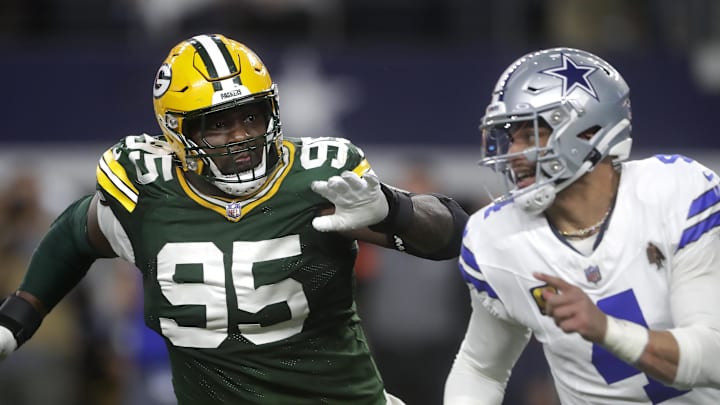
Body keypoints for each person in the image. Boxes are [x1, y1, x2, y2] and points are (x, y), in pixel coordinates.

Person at [0, 33, 468, 405]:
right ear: (176, 131)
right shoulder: (149, 191)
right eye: (218, 123)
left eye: (251, 117)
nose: (240, 137)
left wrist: (395, 209)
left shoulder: (315, 183)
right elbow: (74, 235)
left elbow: (453, 234)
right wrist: (17, 316)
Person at [444, 47, 720, 404]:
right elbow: (480, 368)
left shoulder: (675, 193)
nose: (514, 154)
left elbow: (713, 355)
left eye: (530, 135)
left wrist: (606, 329)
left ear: (589, 131)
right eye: (509, 137)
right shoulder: (497, 237)